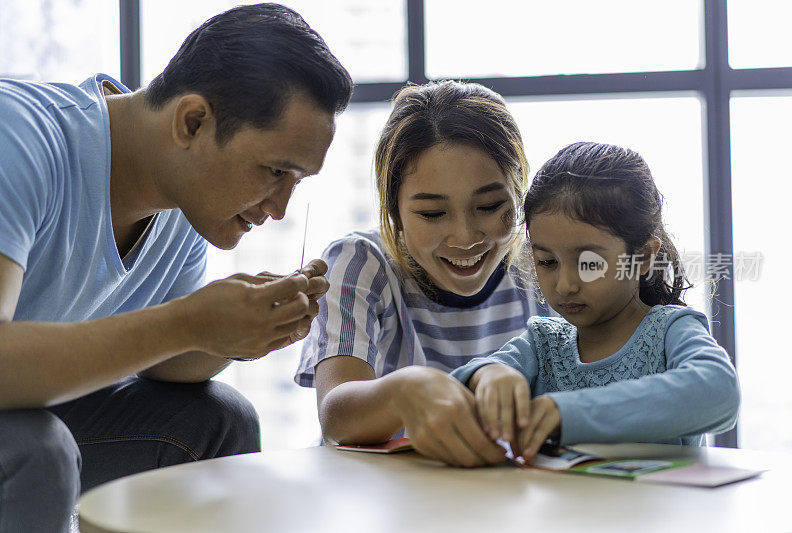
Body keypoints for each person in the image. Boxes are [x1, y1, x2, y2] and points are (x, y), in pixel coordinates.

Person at [0, 4, 352, 531]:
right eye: (275, 171)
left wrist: (243, 329)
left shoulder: (183, 213)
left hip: (33, 405)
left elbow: (161, 365)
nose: (278, 208)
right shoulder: (22, 138)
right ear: (192, 121)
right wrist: (189, 321)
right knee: (37, 450)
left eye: (296, 182)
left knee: (220, 420)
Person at [295, 80, 550, 468]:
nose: (464, 237)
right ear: (394, 212)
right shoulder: (361, 263)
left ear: (519, 194)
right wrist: (405, 392)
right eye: (432, 214)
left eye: (490, 206)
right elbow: (336, 420)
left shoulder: (543, 267)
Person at [450, 141, 741, 463]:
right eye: (547, 262)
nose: (565, 285)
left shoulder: (669, 331)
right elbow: (456, 391)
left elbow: (719, 393)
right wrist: (487, 374)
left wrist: (568, 415)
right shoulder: (542, 343)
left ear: (642, 257)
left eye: (589, 264)